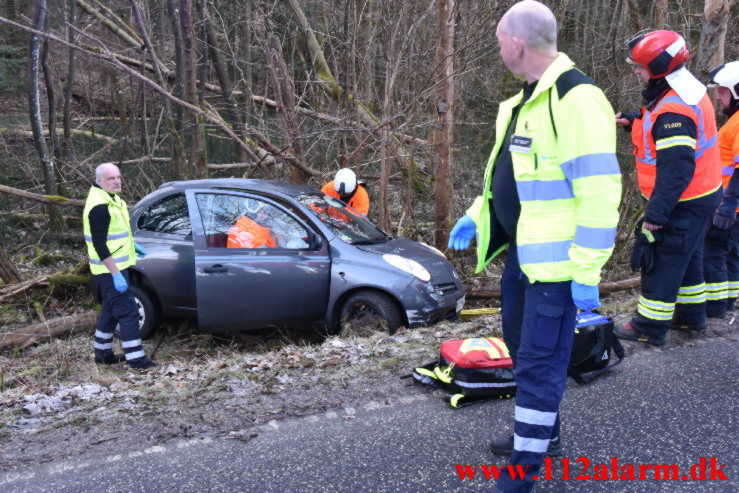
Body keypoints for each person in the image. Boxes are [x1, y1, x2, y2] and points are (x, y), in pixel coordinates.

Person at [447, 2, 621, 491]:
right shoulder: (523, 102)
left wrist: (587, 270)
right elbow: (510, 182)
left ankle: (522, 474)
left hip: (559, 268)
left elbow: (601, 191)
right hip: (523, 260)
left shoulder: (576, 99)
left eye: (500, 40)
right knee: (524, 353)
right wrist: (478, 215)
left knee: (542, 364)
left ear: (517, 44)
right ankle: (545, 437)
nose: (499, 49)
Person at [614, 31, 722, 344]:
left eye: (640, 66)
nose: (636, 71)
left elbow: (676, 169)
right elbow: (660, 130)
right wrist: (634, 121)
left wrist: (655, 217)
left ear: (660, 66)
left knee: (661, 259)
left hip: (683, 200)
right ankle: (691, 318)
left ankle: (649, 327)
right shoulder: (682, 89)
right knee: (685, 258)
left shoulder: (673, 108)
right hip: (701, 195)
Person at [83, 163, 154, 369]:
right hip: (109, 270)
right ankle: (136, 359)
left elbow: (115, 234)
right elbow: (99, 244)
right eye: (110, 179)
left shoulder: (112, 199)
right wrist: (115, 274)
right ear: (99, 181)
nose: (116, 181)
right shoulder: (100, 206)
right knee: (129, 312)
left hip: (116, 267)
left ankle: (103, 353)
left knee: (111, 310)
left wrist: (132, 245)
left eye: (118, 177)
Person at [703, 62, 739, 317]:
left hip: (729, 206)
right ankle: (727, 303)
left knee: (714, 254)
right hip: (732, 205)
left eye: (723, 92)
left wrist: (727, 205)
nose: (717, 98)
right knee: (730, 256)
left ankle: (715, 307)